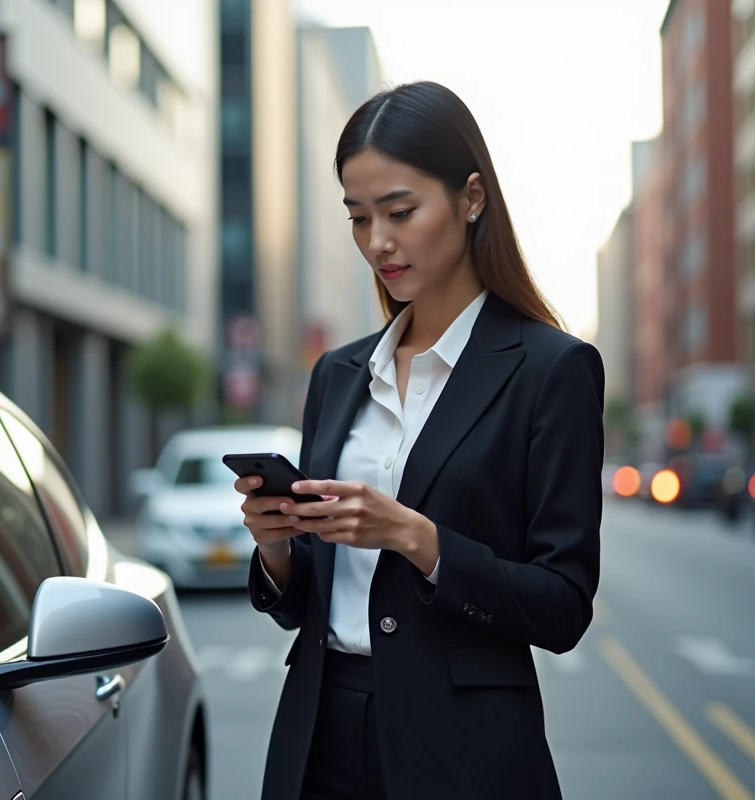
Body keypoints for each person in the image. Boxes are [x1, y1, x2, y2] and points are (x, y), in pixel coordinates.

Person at [235, 81, 604, 800]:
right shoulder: (338, 374)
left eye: (401, 212)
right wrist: (277, 548)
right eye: (358, 217)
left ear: (471, 197)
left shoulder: (551, 370)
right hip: (321, 736)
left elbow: (562, 607)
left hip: (466, 751)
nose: (379, 242)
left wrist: (416, 538)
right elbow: (305, 601)